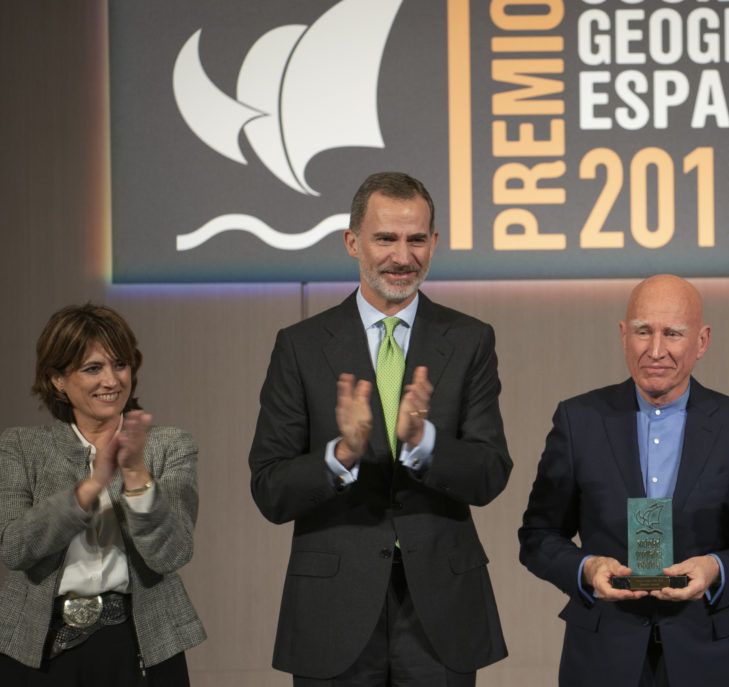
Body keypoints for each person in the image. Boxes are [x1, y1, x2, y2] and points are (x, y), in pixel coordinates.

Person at [249, 171, 512, 686]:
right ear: (353, 242)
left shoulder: (470, 340)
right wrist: (342, 454)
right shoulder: (301, 346)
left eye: (417, 240)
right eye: (385, 238)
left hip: (439, 611)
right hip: (334, 607)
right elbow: (270, 489)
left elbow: (489, 473)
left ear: (434, 242)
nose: (402, 256)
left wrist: (424, 443)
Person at [519, 274, 729, 687]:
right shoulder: (578, 421)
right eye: (642, 331)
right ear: (623, 335)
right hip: (602, 657)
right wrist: (586, 568)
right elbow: (538, 536)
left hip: (712, 657)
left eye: (672, 333)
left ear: (701, 341)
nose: (655, 350)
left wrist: (716, 569)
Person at [0, 304, 205, 685]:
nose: (111, 380)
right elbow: (14, 548)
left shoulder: (168, 446)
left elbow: (172, 554)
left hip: (141, 642)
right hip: (37, 645)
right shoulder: (21, 447)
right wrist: (91, 487)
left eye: (120, 365)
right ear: (58, 379)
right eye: (93, 368)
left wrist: (135, 473)